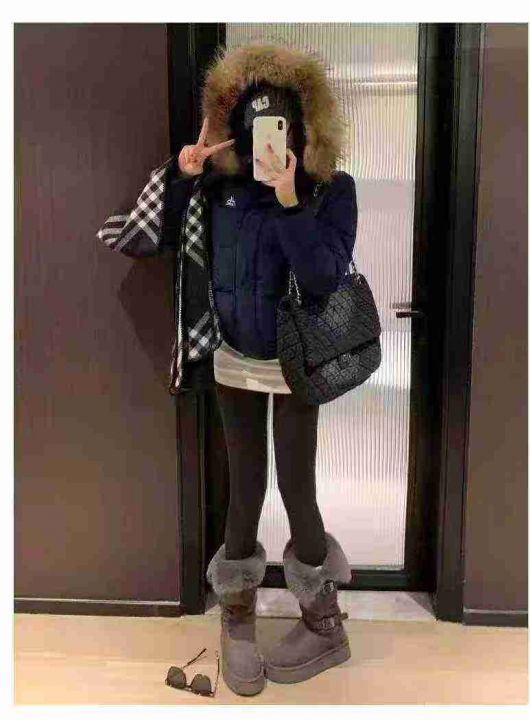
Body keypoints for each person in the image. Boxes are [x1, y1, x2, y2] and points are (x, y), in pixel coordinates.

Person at [97, 43, 357, 697]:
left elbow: (324, 277)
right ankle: (237, 618)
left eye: (281, 123)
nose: (270, 136)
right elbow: (143, 240)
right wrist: (183, 171)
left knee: (298, 490)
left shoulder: (333, 191)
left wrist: (291, 200)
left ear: (304, 128)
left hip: (297, 364)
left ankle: (324, 623)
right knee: (246, 490)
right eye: (257, 123)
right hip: (234, 362)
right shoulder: (219, 192)